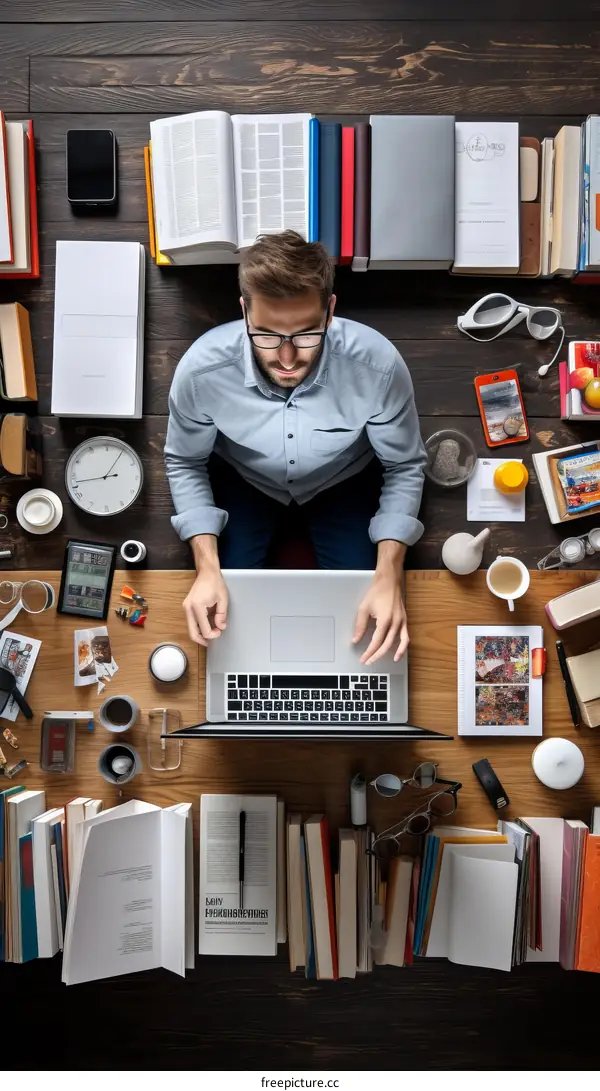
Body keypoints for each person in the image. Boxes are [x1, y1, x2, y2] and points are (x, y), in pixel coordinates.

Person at [165, 230, 426, 665]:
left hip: (345, 482)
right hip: (244, 484)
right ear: (245, 310)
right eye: (266, 335)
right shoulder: (200, 372)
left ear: (330, 311)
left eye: (306, 335)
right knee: (227, 629)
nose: (287, 359)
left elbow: (403, 466)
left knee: (366, 632)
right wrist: (206, 564)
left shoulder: (378, 367)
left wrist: (389, 574)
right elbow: (185, 461)